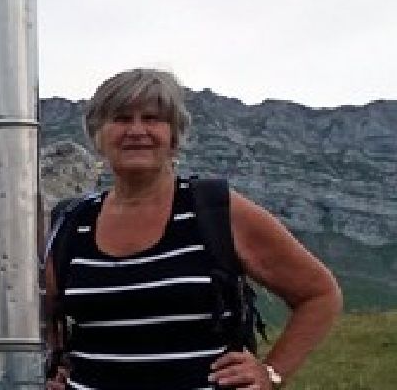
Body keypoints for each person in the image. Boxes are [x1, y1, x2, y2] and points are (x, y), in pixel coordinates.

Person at [41, 68, 343, 390]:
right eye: (121, 118)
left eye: (153, 119)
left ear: (174, 136)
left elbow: (320, 294)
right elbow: (52, 314)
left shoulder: (215, 209)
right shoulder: (71, 221)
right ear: (97, 135)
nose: (137, 130)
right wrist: (58, 363)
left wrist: (271, 373)